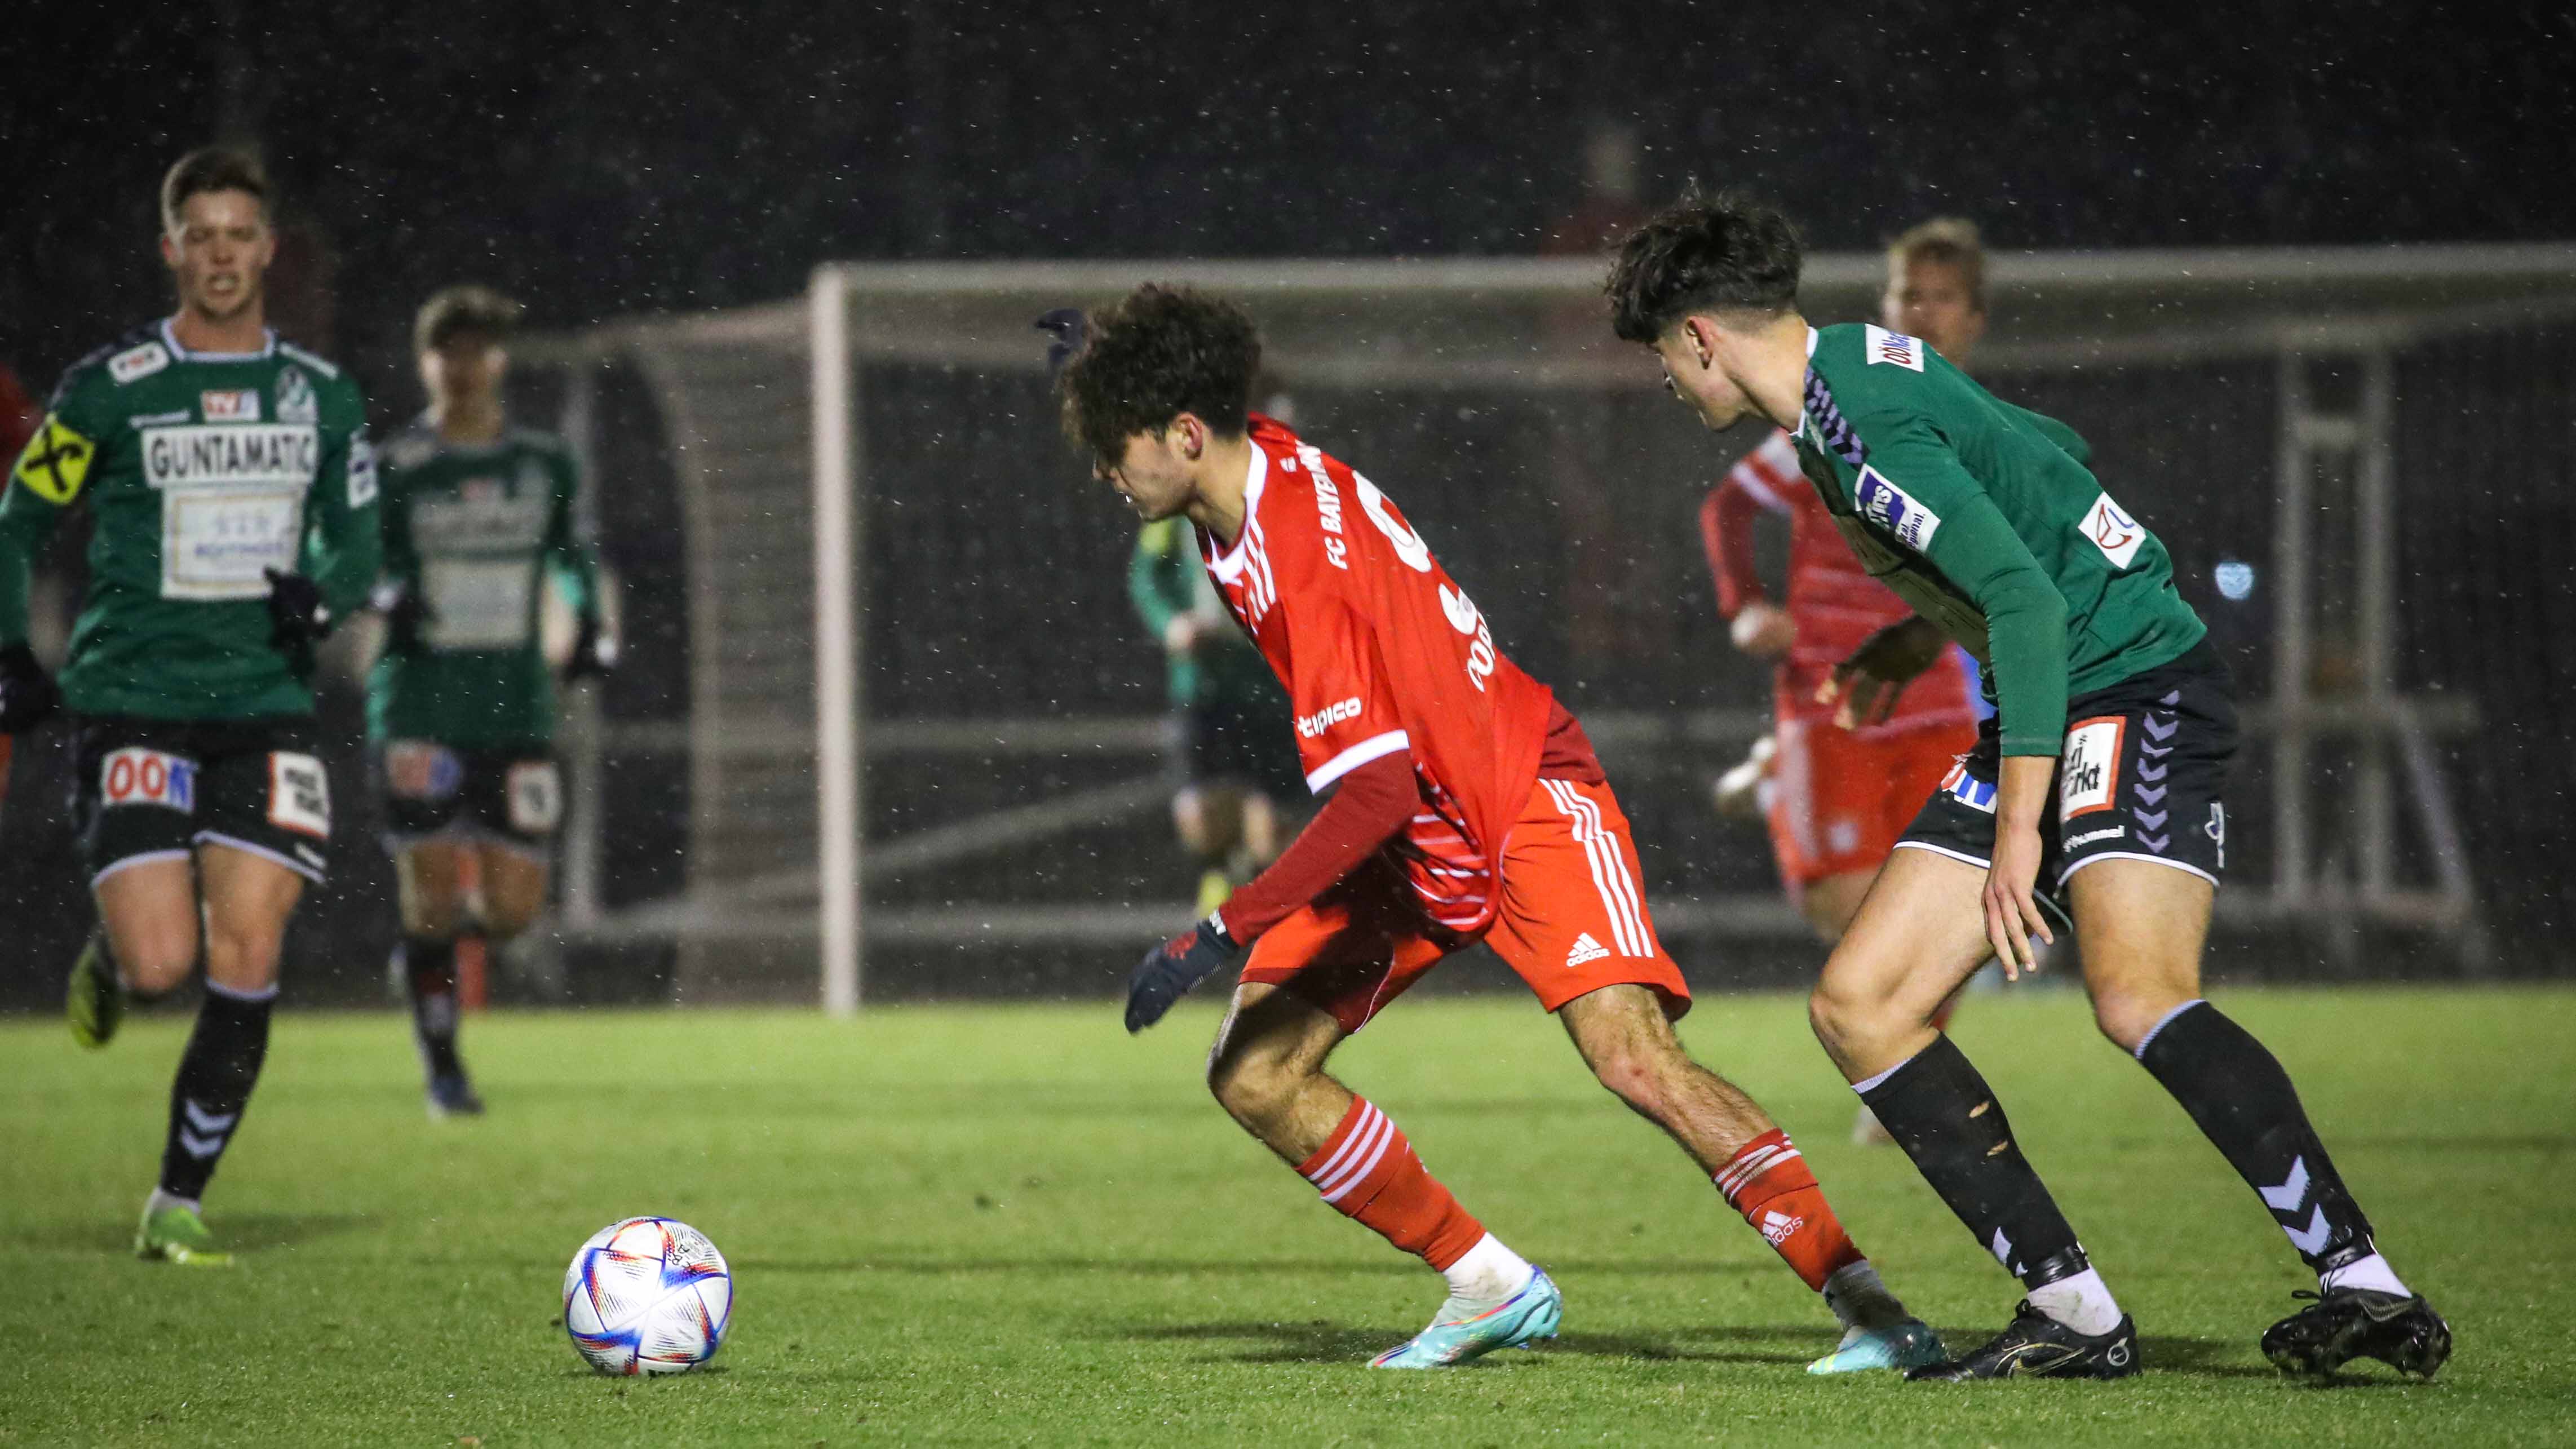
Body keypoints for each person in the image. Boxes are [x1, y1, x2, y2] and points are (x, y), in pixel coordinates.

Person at [1608, 193, 2450, 1382]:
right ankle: (2071, 1311)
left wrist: (2019, 828)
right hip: (2058, 683)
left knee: (2135, 995)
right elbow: (2041, 446)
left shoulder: (1853, 428)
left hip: (2131, 682)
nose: (1664, 378)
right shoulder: (1856, 364)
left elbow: (2028, 600)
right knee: (1860, 1003)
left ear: (1698, 333)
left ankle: (2364, 1285)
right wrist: (1915, 640)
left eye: (1658, 352)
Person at [1064, 284, 1941, 1373]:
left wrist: (1217, 931)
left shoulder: (1303, 563)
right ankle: (1488, 1283)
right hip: (1418, 825)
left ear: (1186, 434)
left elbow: (1371, 794)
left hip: (1519, 794)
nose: (1107, 470)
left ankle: (1873, 1309)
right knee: (1256, 1070)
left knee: (1637, 1061)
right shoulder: (1256, 467)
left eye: (1116, 444)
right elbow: (1207, 369)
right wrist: (1107, 359)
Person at [0, 147, 378, 1265]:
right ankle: (116, 957)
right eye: (199, 235)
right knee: (164, 964)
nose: (221, 253)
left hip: (264, 708)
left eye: (239, 234)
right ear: (173, 250)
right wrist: (8, 649)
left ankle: (177, 1199)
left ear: (270, 250)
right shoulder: (110, 388)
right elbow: (16, 522)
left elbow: (357, 538)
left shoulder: (321, 397)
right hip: (134, 705)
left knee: (249, 943)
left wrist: (326, 594)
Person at [1700, 220, 1989, 1144]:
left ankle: (1907, 1077)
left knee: (1956, 900)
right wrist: (1747, 606)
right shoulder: (1843, 405)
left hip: (1933, 693)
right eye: (1909, 293)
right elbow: (1731, 505)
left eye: (1941, 297)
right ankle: (1781, 772)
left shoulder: (1976, 426)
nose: (1922, 311)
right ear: (1885, 306)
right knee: (1841, 903)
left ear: (1974, 320)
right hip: (1829, 694)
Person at [368, 286, 613, 1117]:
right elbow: (355, 559)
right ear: (424, 361)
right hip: (421, 707)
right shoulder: (396, 466)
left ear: (500, 361)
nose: (462, 367)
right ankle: (444, 1067)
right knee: (431, 888)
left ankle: (423, 951)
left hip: (515, 709)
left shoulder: (541, 463)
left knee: (512, 911)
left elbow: (573, 556)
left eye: (477, 350)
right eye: (447, 351)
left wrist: (586, 626)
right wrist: (384, 592)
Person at [1128, 415, 1302, 917]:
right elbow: (1147, 577)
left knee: (1273, 829)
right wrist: (1173, 625)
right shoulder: (1175, 501)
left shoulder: (1290, 493)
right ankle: (1220, 879)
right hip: (1205, 682)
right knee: (1202, 815)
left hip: (1272, 683)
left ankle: (1250, 904)